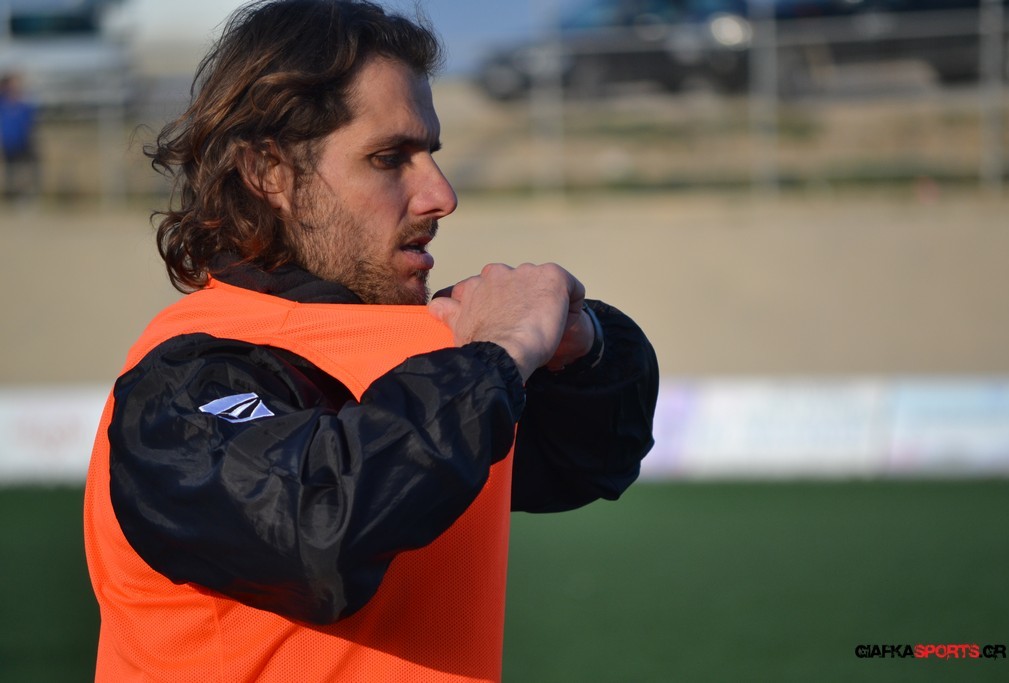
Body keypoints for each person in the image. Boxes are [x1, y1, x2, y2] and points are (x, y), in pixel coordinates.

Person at [83, 1, 658, 681]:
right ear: (269, 173)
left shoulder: (433, 359)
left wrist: (583, 346)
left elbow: (592, 455)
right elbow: (319, 532)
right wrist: (499, 352)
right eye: (389, 158)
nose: (441, 195)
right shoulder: (187, 375)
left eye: (431, 155)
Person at [0, 72, 41, 201]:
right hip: (9, 142)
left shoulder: (24, 104)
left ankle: (28, 194)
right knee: (11, 170)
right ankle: (12, 196)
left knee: (27, 168)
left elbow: (31, 120)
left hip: (24, 141)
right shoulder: (3, 103)